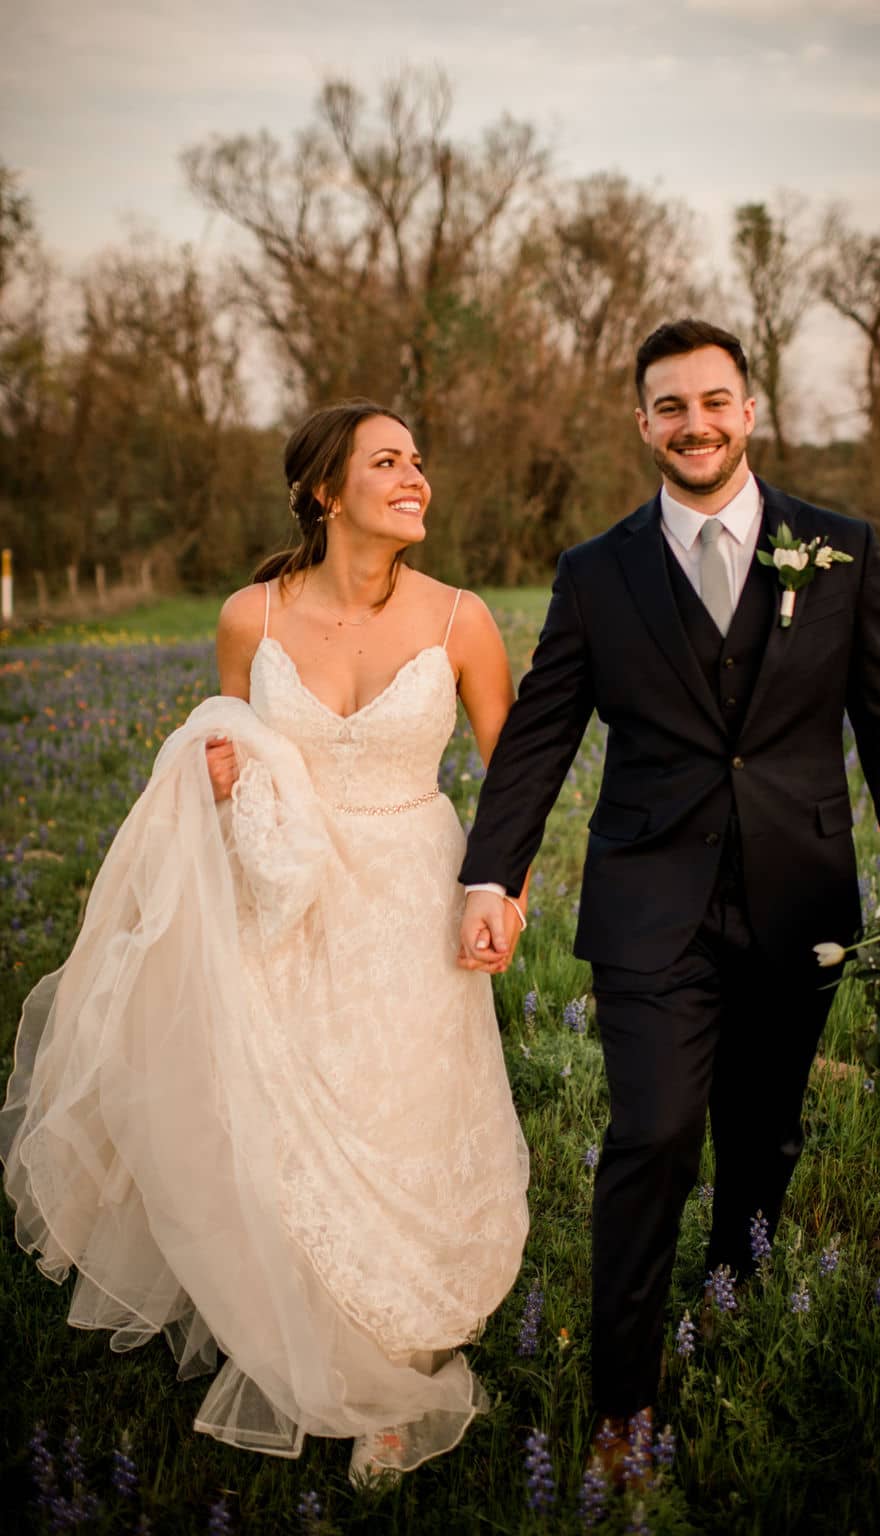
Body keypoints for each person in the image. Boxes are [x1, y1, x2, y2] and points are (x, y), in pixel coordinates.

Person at [1, 399, 530, 1479]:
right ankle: (309, 1336)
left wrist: (503, 893)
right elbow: (223, 751)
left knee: (403, 1113)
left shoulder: (460, 619)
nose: (415, 477)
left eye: (418, 461)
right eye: (389, 462)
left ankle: (394, 1345)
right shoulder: (249, 615)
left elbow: (515, 777)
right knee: (283, 1115)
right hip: (284, 894)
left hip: (410, 895)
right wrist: (221, 777)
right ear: (328, 491)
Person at [458, 319, 880, 1472]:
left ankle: (731, 1288)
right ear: (643, 425)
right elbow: (537, 741)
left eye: (713, 401)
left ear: (749, 409)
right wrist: (490, 871)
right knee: (653, 1133)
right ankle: (621, 1406)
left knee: (763, 1134)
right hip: (647, 907)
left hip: (800, 900)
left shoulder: (838, 547)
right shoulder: (595, 571)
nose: (696, 423)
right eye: (670, 406)